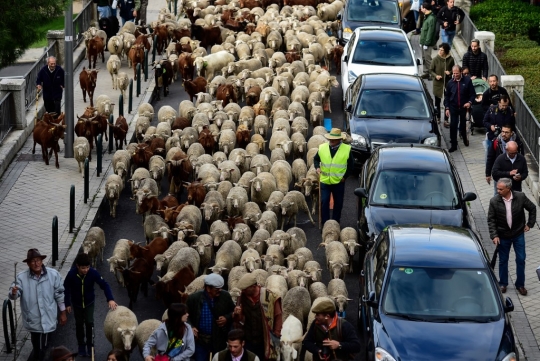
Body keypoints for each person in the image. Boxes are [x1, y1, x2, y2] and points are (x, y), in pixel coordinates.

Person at [9, 249, 67, 361]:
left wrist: (63, 312)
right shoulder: (21, 277)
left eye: (38, 260)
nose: (36, 264)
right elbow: (14, 294)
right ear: (28, 263)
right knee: (39, 348)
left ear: (42, 261)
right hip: (33, 320)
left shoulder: (53, 275)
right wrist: (13, 293)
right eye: (33, 261)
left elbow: (59, 295)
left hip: (49, 318)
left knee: (44, 347)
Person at [488, 178, 536, 296]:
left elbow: (532, 208)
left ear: (508, 189)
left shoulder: (520, 197)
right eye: (497, 188)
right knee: (503, 260)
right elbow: (491, 220)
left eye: (500, 189)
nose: (497, 190)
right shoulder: (494, 201)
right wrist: (494, 235)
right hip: (503, 235)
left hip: (518, 234)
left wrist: (530, 224)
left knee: (521, 259)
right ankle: (503, 283)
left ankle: (520, 285)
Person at [64, 253, 118, 356]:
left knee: (89, 323)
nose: (86, 270)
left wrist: (110, 299)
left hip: (89, 303)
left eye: (87, 267)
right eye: (83, 268)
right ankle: (81, 345)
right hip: (77, 304)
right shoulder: (71, 274)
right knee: (79, 324)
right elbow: (66, 289)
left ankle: (90, 345)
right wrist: (67, 303)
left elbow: (104, 285)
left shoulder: (93, 273)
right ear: (77, 266)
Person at [232, 273, 283, 361]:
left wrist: (276, 335)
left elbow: (278, 316)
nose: (243, 291)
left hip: (264, 340)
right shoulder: (242, 297)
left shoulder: (270, 296)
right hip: (248, 340)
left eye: (245, 289)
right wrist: (237, 315)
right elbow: (239, 321)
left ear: (253, 286)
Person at [186, 274, 235, 361]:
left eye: (221, 288)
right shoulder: (194, 299)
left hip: (219, 340)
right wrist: (191, 327)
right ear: (208, 288)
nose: (220, 290)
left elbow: (233, 311)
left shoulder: (225, 296)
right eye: (217, 289)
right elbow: (186, 316)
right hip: (200, 341)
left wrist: (227, 318)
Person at [313, 128, 354, 225]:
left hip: (339, 181)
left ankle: (335, 223)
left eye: (334, 139)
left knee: (338, 203)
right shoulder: (322, 147)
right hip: (325, 180)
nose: (331, 141)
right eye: (330, 139)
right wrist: (317, 167)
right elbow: (315, 159)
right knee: (324, 202)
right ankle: (325, 223)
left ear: (339, 140)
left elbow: (351, 165)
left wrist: (345, 177)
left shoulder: (347, 149)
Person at [444, 65, 475, 152]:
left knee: (463, 125)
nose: (455, 75)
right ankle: (454, 144)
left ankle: (465, 137)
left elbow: (473, 94)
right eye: (454, 73)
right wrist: (447, 108)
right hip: (453, 107)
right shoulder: (450, 83)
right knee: (453, 125)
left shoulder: (467, 81)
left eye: (457, 73)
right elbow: (447, 96)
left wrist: (469, 102)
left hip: (463, 107)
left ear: (461, 72)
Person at [430, 42, 455, 126]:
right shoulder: (435, 59)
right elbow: (431, 70)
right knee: (437, 101)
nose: (440, 51)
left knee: (447, 102)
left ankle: (446, 119)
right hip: (438, 84)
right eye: (440, 50)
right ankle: (438, 117)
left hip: (447, 83)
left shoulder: (450, 59)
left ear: (446, 51)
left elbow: (454, 70)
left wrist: (450, 72)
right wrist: (436, 76)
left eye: (442, 50)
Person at [419, 2, 438, 80]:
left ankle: (432, 74)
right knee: (424, 58)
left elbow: (430, 32)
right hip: (424, 42)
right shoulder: (426, 16)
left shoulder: (431, 18)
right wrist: (421, 42)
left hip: (427, 43)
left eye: (421, 7)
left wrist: (426, 43)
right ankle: (426, 72)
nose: (420, 9)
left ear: (425, 9)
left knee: (428, 59)